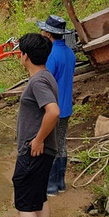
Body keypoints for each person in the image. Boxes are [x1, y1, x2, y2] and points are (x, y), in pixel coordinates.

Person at [9, 32, 60, 217]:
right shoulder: (46, 76)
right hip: (44, 151)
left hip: (34, 151)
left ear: (25, 56)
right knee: (39, 198)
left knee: (26, 203)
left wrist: (38, 140)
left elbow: (53, 111)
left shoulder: (38, 81)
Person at [37, 15, 76, 196]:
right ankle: (60, 182)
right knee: (61, 143)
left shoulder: (51, 55)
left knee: (49, 145)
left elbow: (45, 81)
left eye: (43, 30)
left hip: (52, 108)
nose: (42, 33)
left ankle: (50, 185)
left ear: (49, 34)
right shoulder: (69, 53)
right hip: (66, 107)